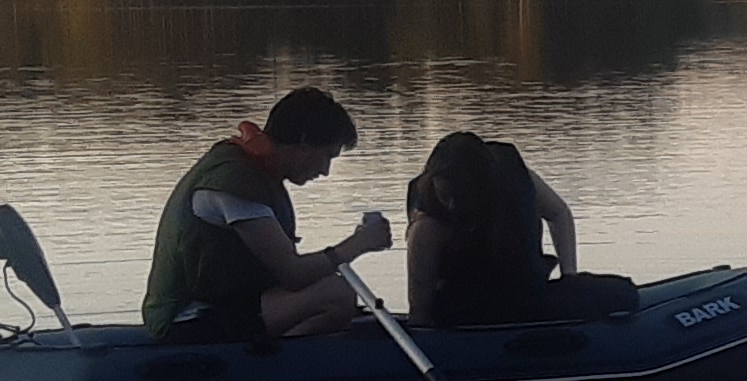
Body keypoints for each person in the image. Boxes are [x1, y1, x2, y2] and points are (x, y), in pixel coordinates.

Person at [143, 87, 393, 341]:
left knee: (335, 290)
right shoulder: (235, 183)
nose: (326, 171)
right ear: (304, 142)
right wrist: (358, 244)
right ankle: (272, 364)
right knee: (337, 295)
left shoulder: (257, 174)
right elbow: (293, 274)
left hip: (227, 302)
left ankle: (278, 354)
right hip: (187, 317)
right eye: (327, 156)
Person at [404, 129, 633, 327]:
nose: (453, 206)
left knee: (625, 292)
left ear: (482, 184)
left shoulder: (515, 181)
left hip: (527, 296)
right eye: (445, 196)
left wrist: (569, 275)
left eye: (462, 196)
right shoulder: (426, 229)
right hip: (468, 314)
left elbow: (558, 214)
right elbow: (420, 314)